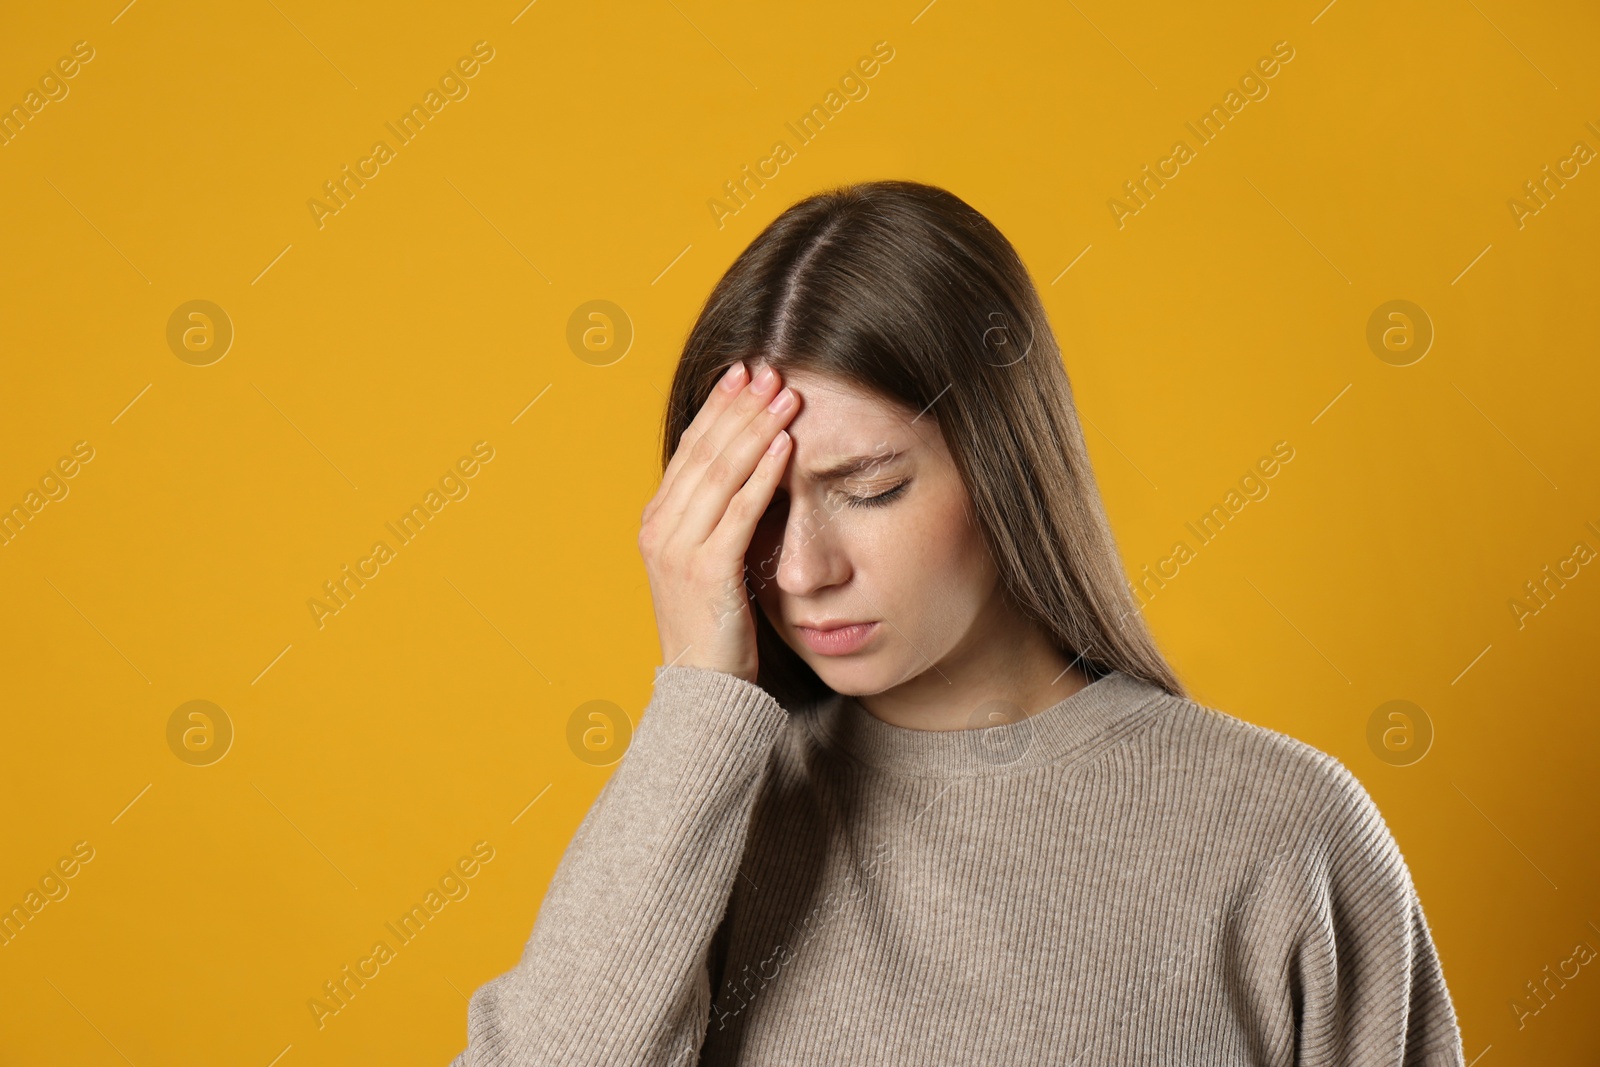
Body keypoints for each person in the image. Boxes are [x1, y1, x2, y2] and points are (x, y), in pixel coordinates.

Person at [448, 180, 1465, 1066]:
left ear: (1002, 463)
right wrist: (698, 702)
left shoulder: (1278, 833)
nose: (803, 569)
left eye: (870, 487)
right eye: (752, 507)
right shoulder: (704, 823)